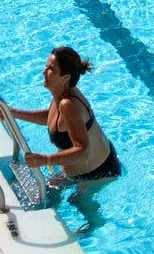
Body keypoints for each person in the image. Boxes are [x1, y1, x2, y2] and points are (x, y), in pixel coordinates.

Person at [13, 46, 121, 184]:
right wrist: (14, 113)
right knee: (48, 192)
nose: (43, 72)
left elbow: (83, 150)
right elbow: (52, 119)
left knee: (76, 202)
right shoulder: (61, 92)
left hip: (98, 172)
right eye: (46, 67)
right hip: (83, 167)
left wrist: (46, 160)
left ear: (65, 77)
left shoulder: (68, 104)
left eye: (50, 69)